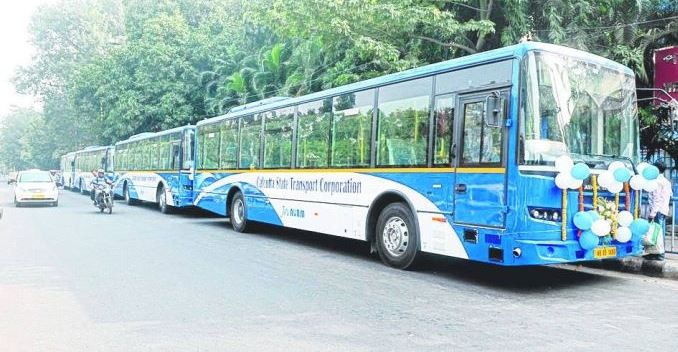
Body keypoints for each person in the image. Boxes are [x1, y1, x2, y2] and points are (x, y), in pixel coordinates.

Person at [647, 162, 673, 260]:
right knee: (657, 232)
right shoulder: (666, 181)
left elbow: (656, 199)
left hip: (657, 210)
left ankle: (660, 254)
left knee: (657, 233)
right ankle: (655, 253)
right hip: (663, 210)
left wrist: (652, 213)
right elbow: (669, 195)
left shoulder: (657, 181)